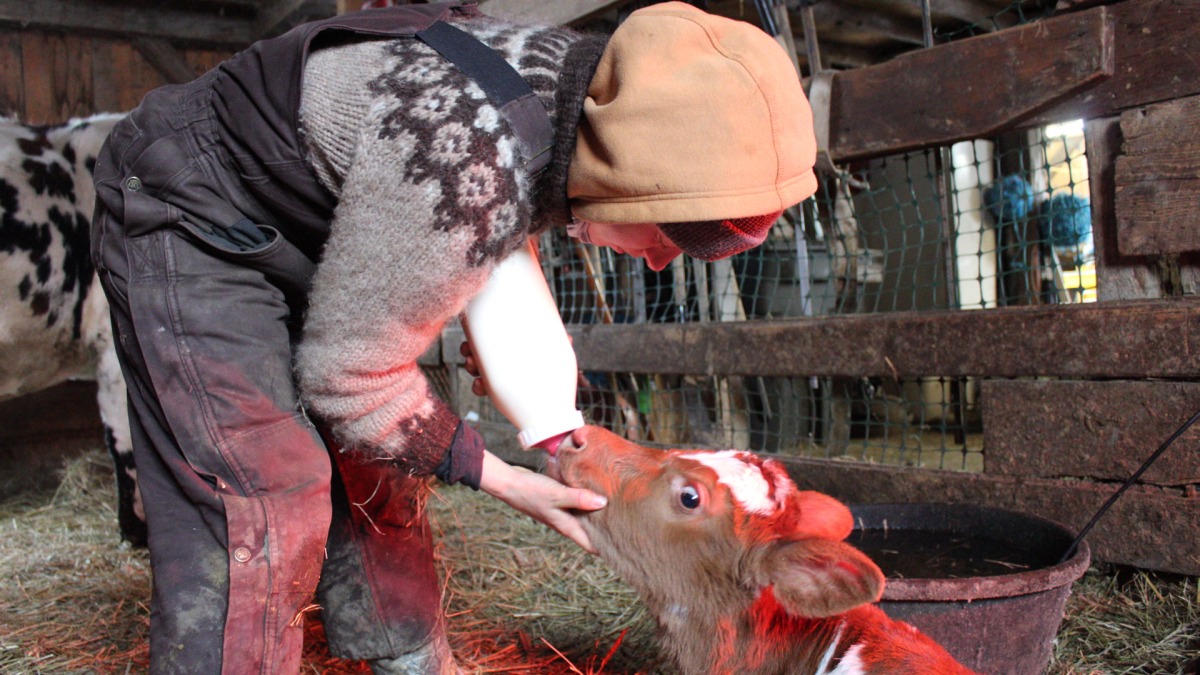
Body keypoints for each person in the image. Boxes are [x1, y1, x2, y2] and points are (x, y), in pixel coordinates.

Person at [90, 1, 817, 673]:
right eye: (677, 233)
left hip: (313, 214)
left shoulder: (587, 98)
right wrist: (503, 479)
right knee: (265, 488)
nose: (662, 260)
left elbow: (470, 212)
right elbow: (350, 375)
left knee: (381, 456)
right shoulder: (471, 156)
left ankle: (410, 657)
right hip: (193, 208)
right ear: (637, 175)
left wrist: (465, 301)